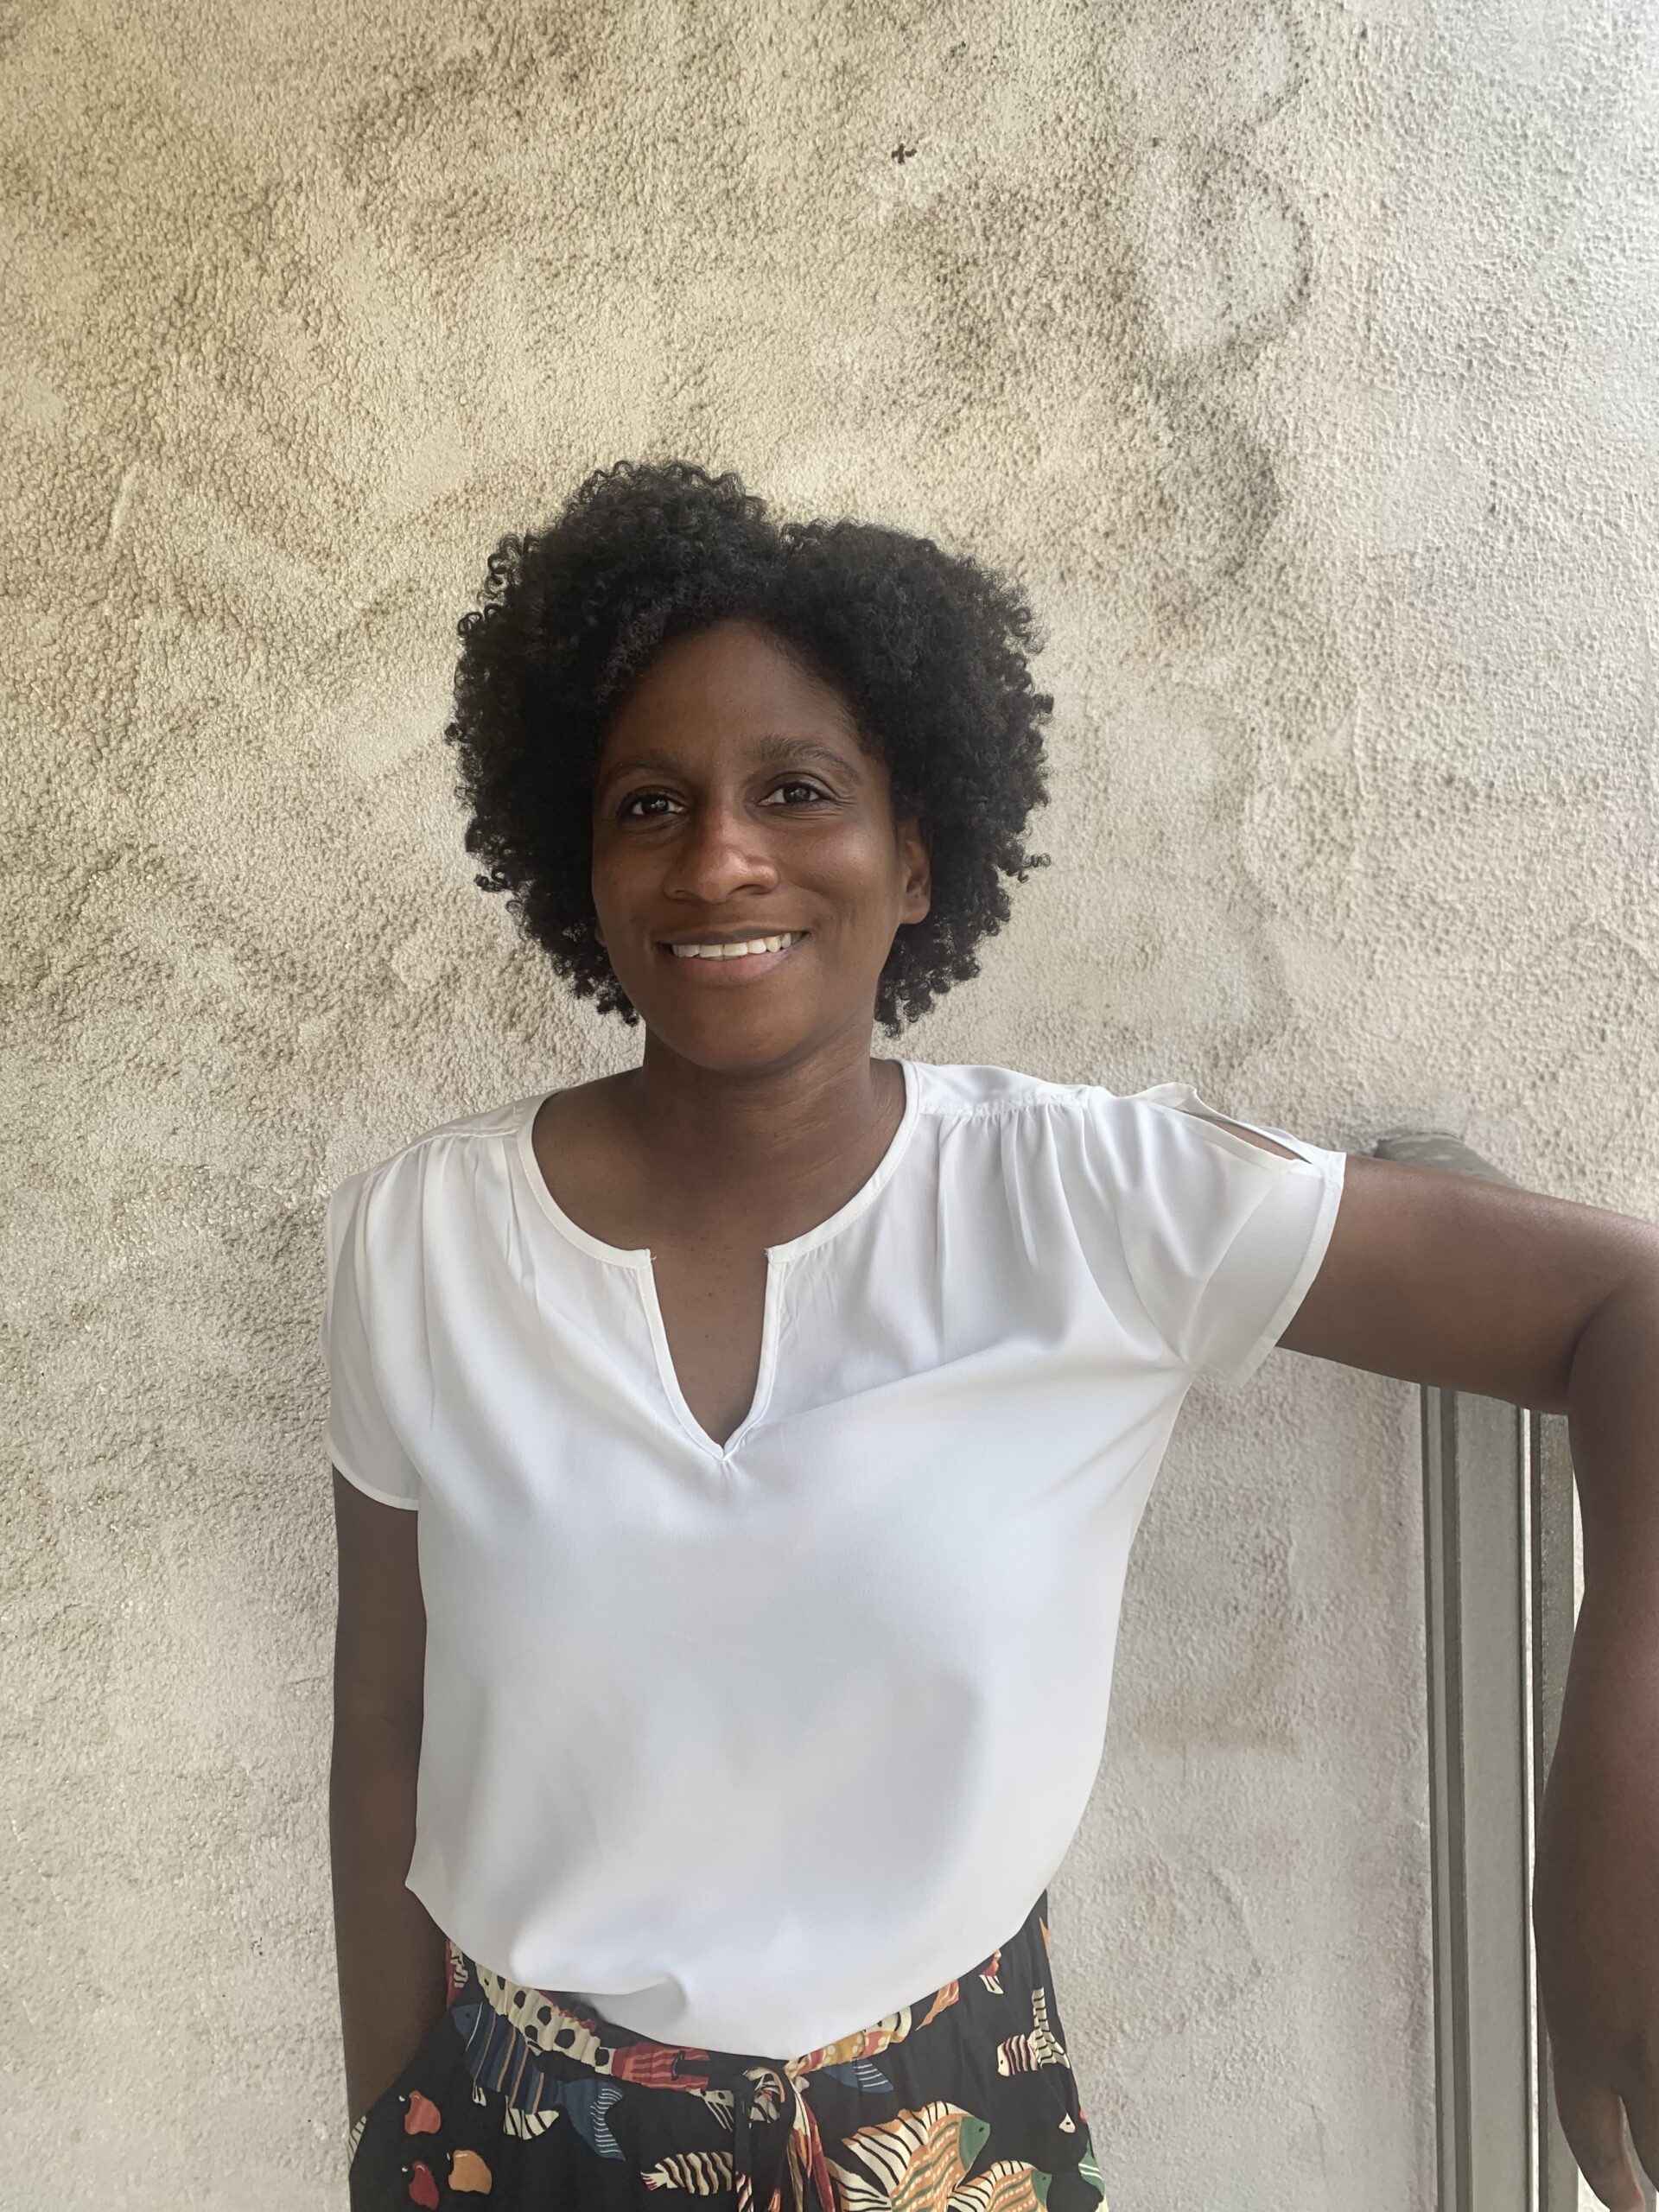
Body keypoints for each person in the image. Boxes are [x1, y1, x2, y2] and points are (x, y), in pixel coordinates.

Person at [324, 459, 1349, 2211]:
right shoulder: (420, 1239)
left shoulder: (1089, 1201)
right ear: (582, 863)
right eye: (650, 803)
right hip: (519, 2133)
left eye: (796, 790)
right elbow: (385, 1720)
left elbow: (1610, 1310)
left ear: (917, 850)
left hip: (946, 2127)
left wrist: (1611, 1856)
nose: (721, 856)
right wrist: (387, 2127)